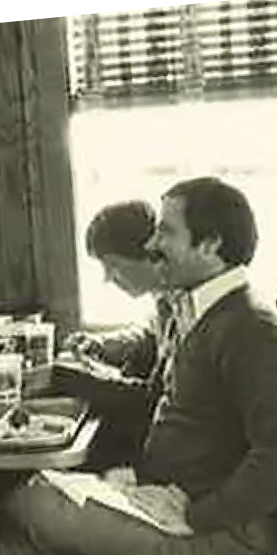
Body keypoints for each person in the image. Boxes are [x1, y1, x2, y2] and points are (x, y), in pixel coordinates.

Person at [0, 177, 277, 555]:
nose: (151, 243)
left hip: (222, 534)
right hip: (172, 497)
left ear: (210, 245)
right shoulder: (201, 310)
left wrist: (200, 514)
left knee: (28, 504)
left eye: (166, 231)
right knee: (26, 524)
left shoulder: (253, 330)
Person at [59, 200, 185, 470]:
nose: (108, 278)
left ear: (147, 254)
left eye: (113, 265)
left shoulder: (186, 308)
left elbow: (150, 400)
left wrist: (70, 378)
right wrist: (104, 344)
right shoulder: (163, 297)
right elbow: (151, 335)